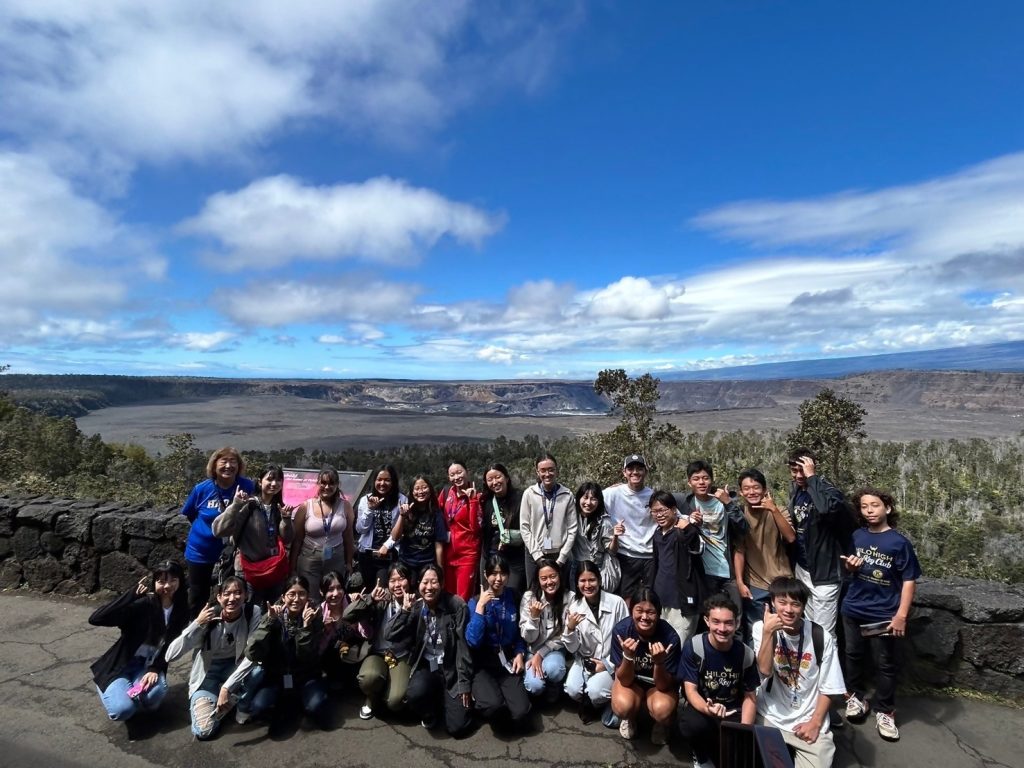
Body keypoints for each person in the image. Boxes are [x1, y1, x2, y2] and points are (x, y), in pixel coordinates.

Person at [840, 488, 921, 742]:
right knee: (853, 655)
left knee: (884, 663)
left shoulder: (899, 543)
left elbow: (909, 581)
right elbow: (849, 567)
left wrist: (901, 615)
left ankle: (885, 710)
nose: (869, 511)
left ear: (887, 508)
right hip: (853, 607)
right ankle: (856, 697)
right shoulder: (857, 536)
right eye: (864, 507)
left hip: (884, 612)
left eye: (874, 505)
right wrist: (850, 567)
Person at [753, 576, 846, 768]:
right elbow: (764, 670)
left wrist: (815, 723)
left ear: (803, 606)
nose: (788, 609)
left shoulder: (821, 636)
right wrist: (768, 633)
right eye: (782, 602)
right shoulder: (761, 629)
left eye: (795, 604)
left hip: (808, 719)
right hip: (770, 715)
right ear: (772, 602)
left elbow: (830, 685)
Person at [89, 560, 190, 724]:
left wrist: (155, 668)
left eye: (172, 580)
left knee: (154, 697)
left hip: (146, 666)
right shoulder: (143, 605)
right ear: (154, 582)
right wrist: (129, 596)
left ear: (180, 581)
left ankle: (130, 692)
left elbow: (170, 645)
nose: (167, 586)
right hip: (120, 666)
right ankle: (111, 688)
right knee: (122, 710)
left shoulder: (181, 610)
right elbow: (96, 618)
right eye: (161, 581)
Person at [166, 575, 263, 738]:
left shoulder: (252, 612)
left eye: (238, 593)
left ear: (246, 595)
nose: (232, 598)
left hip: (234, 668)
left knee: (258, 670)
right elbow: (170, 655)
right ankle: (222, 701)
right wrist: (197, 624)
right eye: (227, 593)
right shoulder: (209, 618)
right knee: (204, 731)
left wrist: (226, 687)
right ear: (219, 597)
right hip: (208, 674)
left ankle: (236, 702)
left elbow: (252, 654)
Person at [385, 564, 473, 737]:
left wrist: (464, 683)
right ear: (418, 584)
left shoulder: (456, 605)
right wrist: (404, 611)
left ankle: (448, 701)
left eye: (434, 582)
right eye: (425, 582)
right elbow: (389, 634)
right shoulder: (416, 606)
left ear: (441, 583)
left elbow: (463, 647)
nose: (429, 587)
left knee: (458, 728)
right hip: (426, 665)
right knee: (415, 693)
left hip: (450, 668)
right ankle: (430, 710)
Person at [678, 594, 759, 768]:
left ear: (736, 623)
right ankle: (700, 755)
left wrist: (743, 731)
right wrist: (708, 709)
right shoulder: (694, 647)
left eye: (728, 623)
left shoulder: (746, 654)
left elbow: (750, 696)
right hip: (703, 708)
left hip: (732, 712)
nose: (722, 628)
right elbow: (690, 690)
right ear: (707, 621)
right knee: (692, 726)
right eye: (716, 622)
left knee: (739, 758)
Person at [244, 575, 329, 729]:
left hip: (306, 676)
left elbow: (306, 656)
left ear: (308, 596)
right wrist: (268, 622)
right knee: (258, 708)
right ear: (283, 597)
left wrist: (305, 627)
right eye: (291, 594)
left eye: (302, 593)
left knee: (317, 707)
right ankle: (285, 702)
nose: (296, 599)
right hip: (277, 676)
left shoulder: (315, 616)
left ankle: (298, 700)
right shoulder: (272, 615)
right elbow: (252, 653)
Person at [786, 449, 854, 641]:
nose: (799, 476)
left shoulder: (830, 492)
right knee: (807, 626)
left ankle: (827, 670)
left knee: (824, 634)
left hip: (825, 573)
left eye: (803, 470)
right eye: (794, 471)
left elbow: (824, 509)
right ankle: (810, 669)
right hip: (803, 568)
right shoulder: (796, 491)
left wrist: (812, 477)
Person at [180, 447, 255, 617]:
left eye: (233, 461)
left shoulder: (247, 486)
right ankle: (196, 630)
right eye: (224, 461)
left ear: (239, 465)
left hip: (233, 551)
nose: (228, 466)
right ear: (214, 466)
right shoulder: (202, 489)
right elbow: (190, 514)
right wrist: (208, 531)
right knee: (198, 596)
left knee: (234, 593)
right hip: (201, 551)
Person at [212, 464, 294, 607]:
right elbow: (218, 530)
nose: (274, 484)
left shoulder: (278, 507)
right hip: (249, 571)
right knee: (248, 610)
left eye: (278, 480)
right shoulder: (247, 505)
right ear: (259, 481)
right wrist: (236, 505)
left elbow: (287, 539)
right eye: (270, 479)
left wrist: (286, 520)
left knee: (274, 611)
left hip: (274, 570)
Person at [466, 555, 531, 732]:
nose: (498, 578)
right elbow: (473, 640)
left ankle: (502, 699)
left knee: (521, 712)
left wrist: (519, 652)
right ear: (486, 576)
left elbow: (519, 632)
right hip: (483, 663)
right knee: (493, 706)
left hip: (507, 660)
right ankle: (482, 699)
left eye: (503, 573)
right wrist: (480, 608)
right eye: (493, 573)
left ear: (508, 576)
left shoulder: (514, 596)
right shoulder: (474, 602)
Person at [610, 587, 682, 746]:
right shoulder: (621, 631)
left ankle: (661, 724)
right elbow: (624, 681)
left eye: (650, 612)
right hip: (631, 683)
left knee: (662, 710)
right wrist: (628, 656)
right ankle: (630, 718)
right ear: (631, 611)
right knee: (622, 707)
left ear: (659, 613)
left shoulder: (670, 638)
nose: (644, 617)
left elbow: (664, 685)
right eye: (639, 610)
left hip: (659, 687)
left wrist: (659, 662)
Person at [732, 468, 795, 643]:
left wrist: (773, 509)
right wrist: (740, 582)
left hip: (782, 580)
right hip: (755, 584)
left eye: (756, 487)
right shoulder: (740, 515)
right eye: (747, 488)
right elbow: (739, 550)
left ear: (765, 489)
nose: (752, 492)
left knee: (785, 631)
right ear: (741, 492)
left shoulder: (778, 510)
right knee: (756, 633)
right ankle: (758, 670)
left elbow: (790, 537)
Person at [562, 560, 628, 726]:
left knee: (595, 691)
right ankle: (597, 702)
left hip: (612, 661)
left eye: (591, 580)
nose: (587, 585)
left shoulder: (616, 603)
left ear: (599, 580)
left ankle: (609, 701)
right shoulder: (574, 607)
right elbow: (573, 648)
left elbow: (626, 639)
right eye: (582, 581)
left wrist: (606, 664)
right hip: (585, 660)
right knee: (572, 689)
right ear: (577, 584)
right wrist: (569, 629)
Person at [675, 460, 747, 598]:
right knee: (708, 616)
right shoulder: (685, 504)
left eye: (705, 478)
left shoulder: (724, 502)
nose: (701, 482)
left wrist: (728, 503)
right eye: (696, 479)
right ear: (689, 483)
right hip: (702, 574)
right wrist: (690, 522)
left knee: (733, 615)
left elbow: (743, 528)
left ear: (712, 480)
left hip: (727, 571)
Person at [355, 563, 415, 720]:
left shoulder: (416, 603)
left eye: (401, 579)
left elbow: (392, 633)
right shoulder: (381, 599)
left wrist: (406, 611)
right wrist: (369, 600)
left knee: (395, 702)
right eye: (392, 580)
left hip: (401, 656)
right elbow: (348, 616)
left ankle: (387, 691)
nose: (397, 585)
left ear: (410, 580)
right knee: (369, 677)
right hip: (378, 652)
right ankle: (372, 698)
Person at [650, 490, 705, 643]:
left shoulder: (684, 530)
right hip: (661, 599)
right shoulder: (657, 533)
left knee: (679, 644)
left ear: (674, 510)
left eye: (662, 510)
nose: (658, 515)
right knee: (661, 643)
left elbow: (697, 547)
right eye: (654, 511)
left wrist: (688, 528)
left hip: (682, 601)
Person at [291, 467, 355, 597]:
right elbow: (297, 539)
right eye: (323, 483)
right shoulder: (305, 507)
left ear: (338, 485)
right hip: (310, 557)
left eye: (331, 483)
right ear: (318, 484)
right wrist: (292, 568)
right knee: (310, 596)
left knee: (333, 595)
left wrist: (348, 562)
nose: (327, 487)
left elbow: (348, 536)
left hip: (336, 557)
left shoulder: (345, 506)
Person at [520, 453, 578, 587]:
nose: (547, 474)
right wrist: (537, 556)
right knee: (534, 591)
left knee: (560, 593)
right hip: (534, 555)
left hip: (559, 555)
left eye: (551, 469)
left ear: (557, 470)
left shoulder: (567, 495)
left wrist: (562, 558)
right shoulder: (529, 494)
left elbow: (572, 529)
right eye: (543, 470)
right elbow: (524, 527)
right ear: (537, 472)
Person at [603, 454, 655, 599]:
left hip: (650, 556)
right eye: (630, 469)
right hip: (626, 555)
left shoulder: (653, 496)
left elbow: (672, 513)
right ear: (624, 472)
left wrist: (690, 519)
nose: (635, 472)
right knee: (625, 597)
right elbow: (587, 500)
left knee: (650, 598)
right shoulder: (612, 494)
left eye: (639, 468)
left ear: (646, 472)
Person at [519, 557, 570, 701]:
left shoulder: (569, 597)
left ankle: (555, 685)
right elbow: (528, 638)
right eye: (544, 578)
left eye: (553, 576)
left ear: (559, 575)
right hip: (532, 649)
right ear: (538, 580)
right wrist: (534, 618)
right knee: (534, 686)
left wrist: (541, 654)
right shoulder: (529, 598)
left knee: (555, 670)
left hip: (554, 648)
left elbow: (565, 634)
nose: (549, 582)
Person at [318, 570, 372, 691]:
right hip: (332, 656)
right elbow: (319, 650)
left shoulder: (352, 602)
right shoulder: (319, 612)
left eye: (339, 588)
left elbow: (367, 635)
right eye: (330, 589)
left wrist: (360, 612)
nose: (336, 593)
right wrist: (326, 631)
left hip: (354, 651)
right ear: (322, 592)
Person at [355, 464, 405, 591]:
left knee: (381, 591)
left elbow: (400, 531)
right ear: (374, 481)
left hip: (388, 555)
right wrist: (370, 509)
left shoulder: (401, 500)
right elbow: (361, 529)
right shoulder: (365, 500)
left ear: (393, 482)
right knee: (368, 592)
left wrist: (387, 545)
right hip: (366, 555)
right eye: (379, 479)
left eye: (387, 480)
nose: (382, 483)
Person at [438, 461, 483, 601]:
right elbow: (435, 513)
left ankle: (463, 623)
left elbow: (476, 528)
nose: (456, 477)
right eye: (452, 474)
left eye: (459, 472)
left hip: (467, 556)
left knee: (463, 598)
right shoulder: (446, 493)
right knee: (448, 597)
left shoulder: (478, 497)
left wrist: (473, 501)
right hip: (448, 555)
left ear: (467, 472)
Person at [480, 463, 526, 596]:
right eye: (490, 479)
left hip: (515, 559)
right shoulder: (487, 501)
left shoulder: (521, 498)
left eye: (498, 477)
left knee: (513, 594)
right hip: (493, 558)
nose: (495, 482)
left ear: (506, 478)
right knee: (491, 597)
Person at [571, 481, 619, 594]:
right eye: (585, 497)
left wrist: (615, 536)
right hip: (576, 567)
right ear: (578, 498)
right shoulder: (573, 514)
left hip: (596, 568)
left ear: (599, 501)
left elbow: (612, 551)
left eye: (593, 499)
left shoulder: (604, 521)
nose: (588, 502)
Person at [392, 475, 445, 572]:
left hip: (427, 566)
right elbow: (395, 537)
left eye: (424, 487)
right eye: (417, 489)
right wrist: (402, 516)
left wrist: (440, 569)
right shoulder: (406, 510)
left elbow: (438, 545)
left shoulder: (436, 514)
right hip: (405, 563)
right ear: (412, 492)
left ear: (430, 490)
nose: (421, 492)